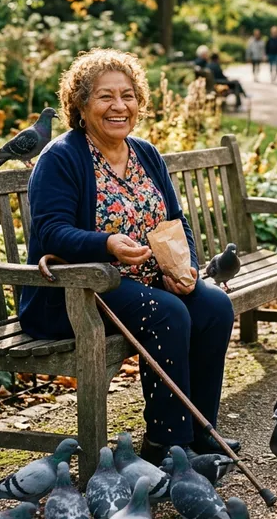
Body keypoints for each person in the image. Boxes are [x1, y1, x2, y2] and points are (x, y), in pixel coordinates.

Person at [20, 49, 240, 464]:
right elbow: (50, 230)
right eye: (105, 97)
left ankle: (200, 430)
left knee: (213, 305)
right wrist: (106, 243)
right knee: (168, 313)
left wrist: (185, 267)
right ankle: (167, 444)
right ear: (81, 106)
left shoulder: (146, 153)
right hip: (80, 291)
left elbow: (175, 220)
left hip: (146, 282)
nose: (119, 106)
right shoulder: (62, 157)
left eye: (128, 96)